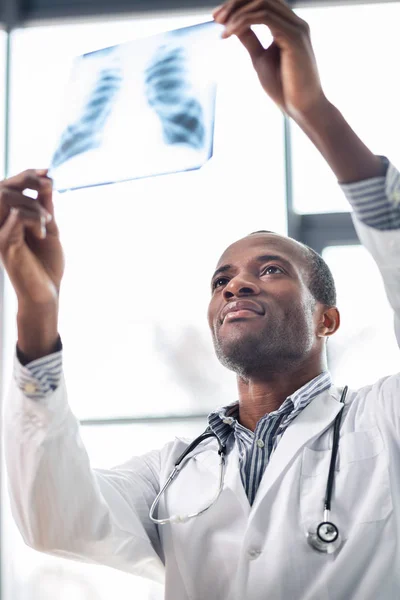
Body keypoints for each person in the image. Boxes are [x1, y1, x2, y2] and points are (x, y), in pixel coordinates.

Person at [2, 0, 400, 598]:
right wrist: (37, 313)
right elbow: (55, 521)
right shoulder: (172, 473)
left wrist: (314, 113)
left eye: (270, 270)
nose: (237, 285)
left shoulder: (384, 423)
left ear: (327, 319)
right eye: (222, 280)